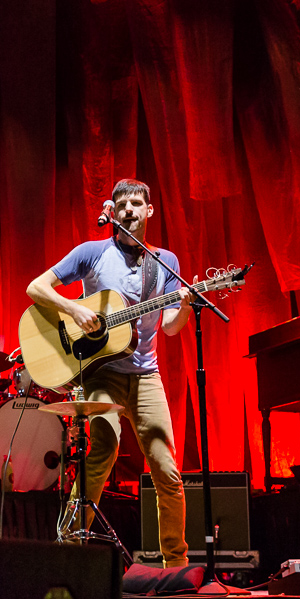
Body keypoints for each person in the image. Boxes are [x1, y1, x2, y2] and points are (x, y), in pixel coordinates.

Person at [26, 178, 194, 567]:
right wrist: (74, 309)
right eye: (122, 206)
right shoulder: (91, 253)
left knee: (167, 468)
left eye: (137, 204)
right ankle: (68, 555)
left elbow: (169, 326)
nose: (129, 211)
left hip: (146, 375)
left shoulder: (166, 262)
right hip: (100, 374)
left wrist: (184, 306)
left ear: (149, 211)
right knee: (102, 451)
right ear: (113, 212)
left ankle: (176, 565)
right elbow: (37, 287)